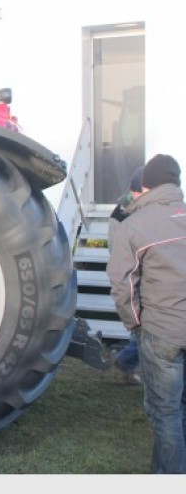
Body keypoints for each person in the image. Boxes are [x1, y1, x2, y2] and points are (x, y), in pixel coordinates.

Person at [106, 153, 186, 473]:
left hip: (160, 332)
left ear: (147, 184)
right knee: (179, 410)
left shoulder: (134, 224)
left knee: (165, 415)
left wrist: (134, 325)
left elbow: (122, 286)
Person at [107, 165, 144, 385]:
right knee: (145, 325)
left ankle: (128, 362)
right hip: (134, 275)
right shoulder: (121, 214)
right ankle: (127, 360)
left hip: (138, 274)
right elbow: (117, 251)